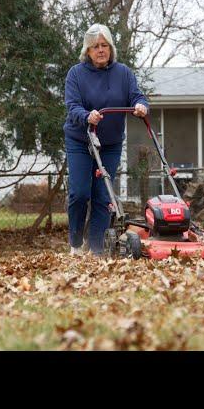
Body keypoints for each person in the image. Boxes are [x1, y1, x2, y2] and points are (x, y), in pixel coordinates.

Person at [63, 23, 148, 256]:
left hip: (109, 144)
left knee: (103, 196)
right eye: (95, 47)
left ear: (110, 48)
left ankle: (97, 248)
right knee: (79, 193)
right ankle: (76, 244)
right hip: (80, 140)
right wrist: (86, 115)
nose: (100, 50)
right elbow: (72, 107)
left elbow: (137, 96)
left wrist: (141, 106)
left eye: (104, 45)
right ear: (87, 51)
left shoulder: (124, 73)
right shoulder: (76, 74)